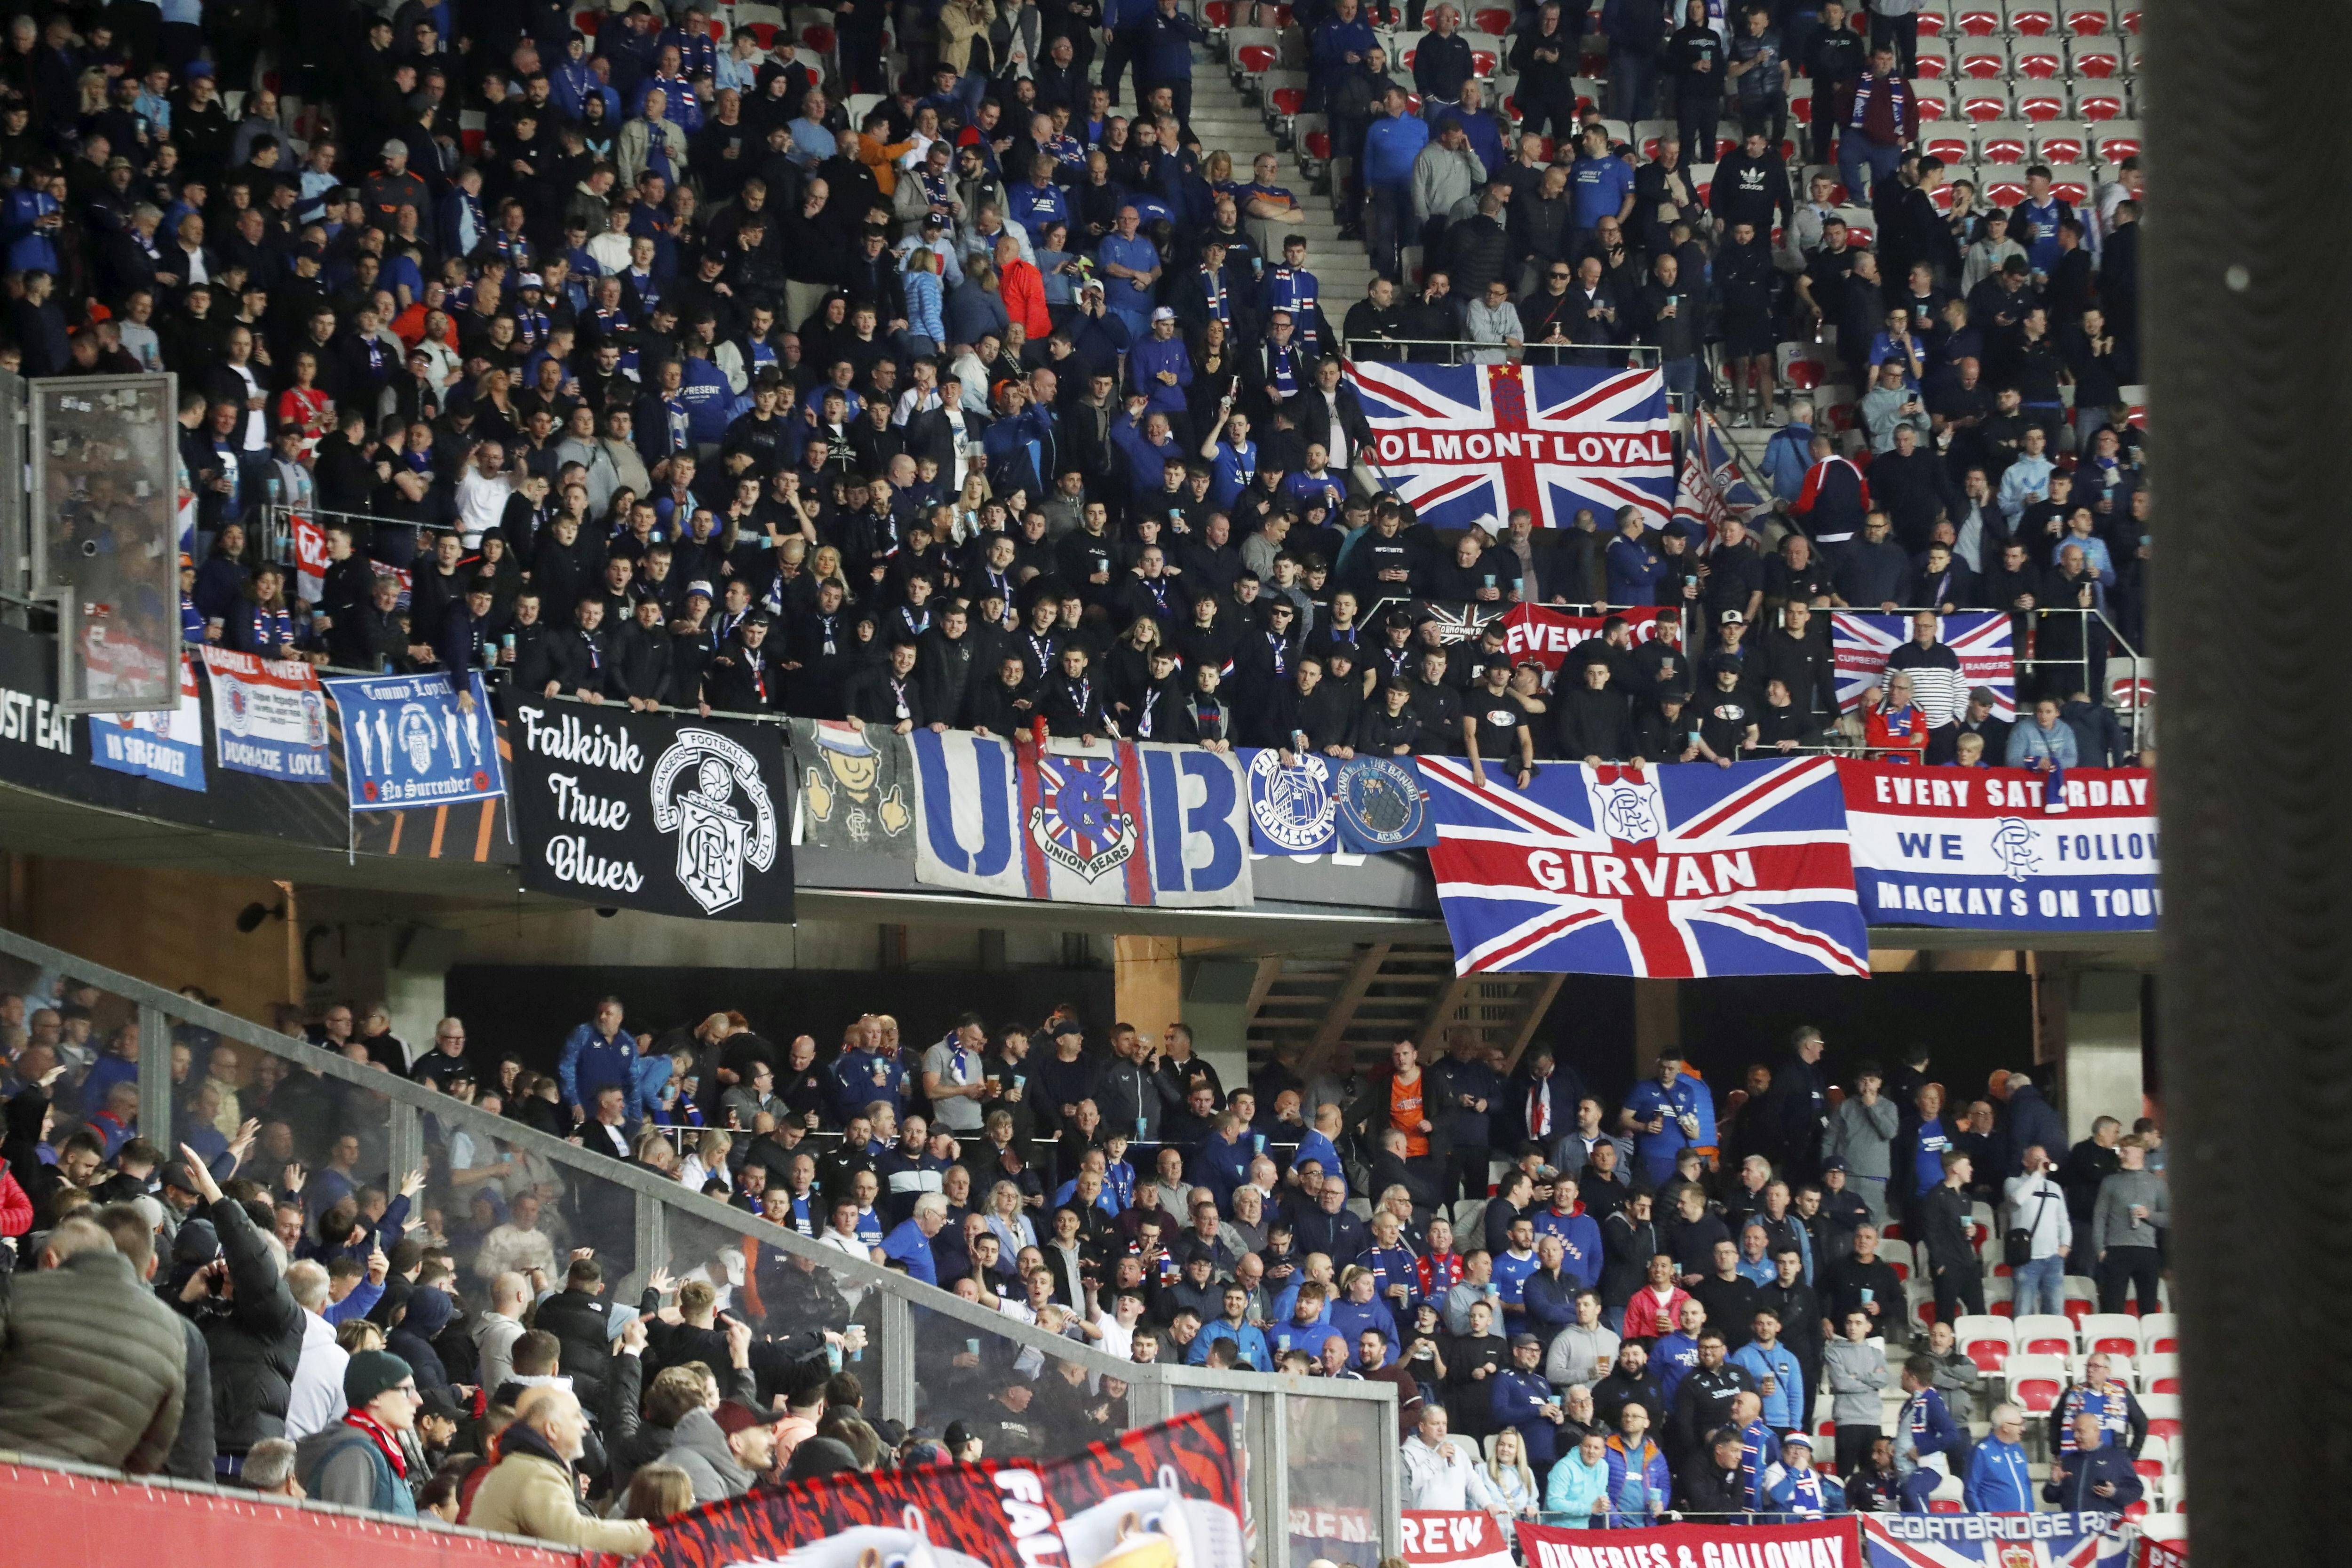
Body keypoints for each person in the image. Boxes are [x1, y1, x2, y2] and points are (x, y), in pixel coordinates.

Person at [0, 1212, 187, 1473]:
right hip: (86, 1496)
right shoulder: (170, 1327)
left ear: (51, 1259)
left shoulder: (18, 1292)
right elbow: (154, 1449)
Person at [468, 1387, 658, 1554]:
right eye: (576, 1416)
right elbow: (573, 1535)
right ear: (552, 1429)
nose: (585, 1425)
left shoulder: (525, 1464)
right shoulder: (535, 1472)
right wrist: (641, 1535)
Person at [293, 1351, 421, 1515]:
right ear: (375, 1396)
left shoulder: (378, 1449)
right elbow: (348, 1536)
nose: (418, 1400)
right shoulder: (354, 1454)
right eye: (407, 1391)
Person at [2091, 1134, 2167, 1314]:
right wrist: (2100, 1249)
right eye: (2121, 1151)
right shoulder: (2110, 1182)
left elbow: (2170, 1217)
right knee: (2112, 1307)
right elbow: (2100, 1217)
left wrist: (2149, 1215)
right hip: (2116, 1249)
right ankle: (2113, 1341)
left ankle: (2147, 1341)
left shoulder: (2157, 1184)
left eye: (2125, 1151)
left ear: (2140, 1153)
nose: (2121, 1155)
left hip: (2147, 1250)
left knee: (2148, 1307)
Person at [2004, 1143, 2073, 1319]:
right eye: (2036, 1158)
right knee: (2023, 1310)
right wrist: (2037, 1175)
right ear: (2025, 1162)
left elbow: (2063, 1220)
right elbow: (2018, 1199)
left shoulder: (2054, 1188)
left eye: (2044, 1158)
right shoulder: (2013, 1183)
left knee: (2056, 1310)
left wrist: (2065, 1244)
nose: (2042, 1162)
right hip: (2027, 1259)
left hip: (2053, 1259)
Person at [1823, 1311, 1889, 1476]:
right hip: (1847, 1421)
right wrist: (1871, 1381)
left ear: (1869, 1327)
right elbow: (1841, 1383)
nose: (1852, 1327)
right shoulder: (1834, 1351)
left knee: (1873, 1476)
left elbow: (1883, 1380)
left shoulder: (1877, 1354)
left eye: (1858, 1323)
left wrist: (1857, 1376)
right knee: (1844, 1476)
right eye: (1849, 1322)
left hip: (1872, 1421)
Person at [2043, 1412, 2144, 1515]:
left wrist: (2114, 1493)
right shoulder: (2067, 1461)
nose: (2075, 1436)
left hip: (2105, 1527)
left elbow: (2136, 1491)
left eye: (2080, 1431)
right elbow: (2049, 1498)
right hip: (2074, 1526)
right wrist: (2054, 1483)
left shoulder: (2117, 1458)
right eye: (2074, 1432)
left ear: (2096, 1431)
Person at [1963, 1405, 2035, 1514]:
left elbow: (2027, 1485)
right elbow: (1971, 1491)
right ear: (2005, 1427)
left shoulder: (2018, 1450)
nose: (2023, 1428)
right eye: (2019, 1425)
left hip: (2024, 1523)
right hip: (1996, 1527)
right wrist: (1984, 1520)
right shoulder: (1982, 1451)